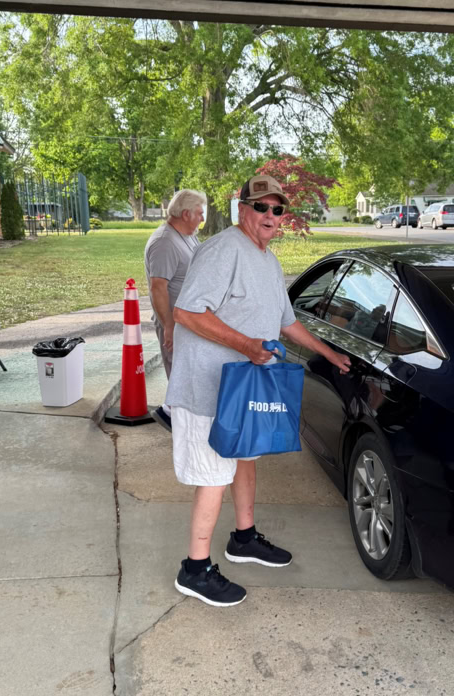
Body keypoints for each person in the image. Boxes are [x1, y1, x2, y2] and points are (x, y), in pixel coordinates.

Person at [166, 174, 351, 607]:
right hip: (209, 389)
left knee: (246, 459)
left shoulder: (267, 259)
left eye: (277, 209)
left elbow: (287, 321)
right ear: (243, 209)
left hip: (245, 387)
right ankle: (194, 569)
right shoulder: (223, 250)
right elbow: (186, 312)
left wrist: (328, 353)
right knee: (214, 475)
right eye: (261, 207)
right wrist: (248, 345)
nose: (270, 215)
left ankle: (244, 538)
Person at [144, 189, 206, 431]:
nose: (202, 218)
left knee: (191, 376)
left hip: (190, 321)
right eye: (199, 213)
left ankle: (184, 421)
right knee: (181, 378)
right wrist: (169, 325)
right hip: (174, 323)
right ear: (186, 214)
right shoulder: (165, 242)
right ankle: (176, 421)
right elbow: (158, 287)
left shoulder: (187, 236)